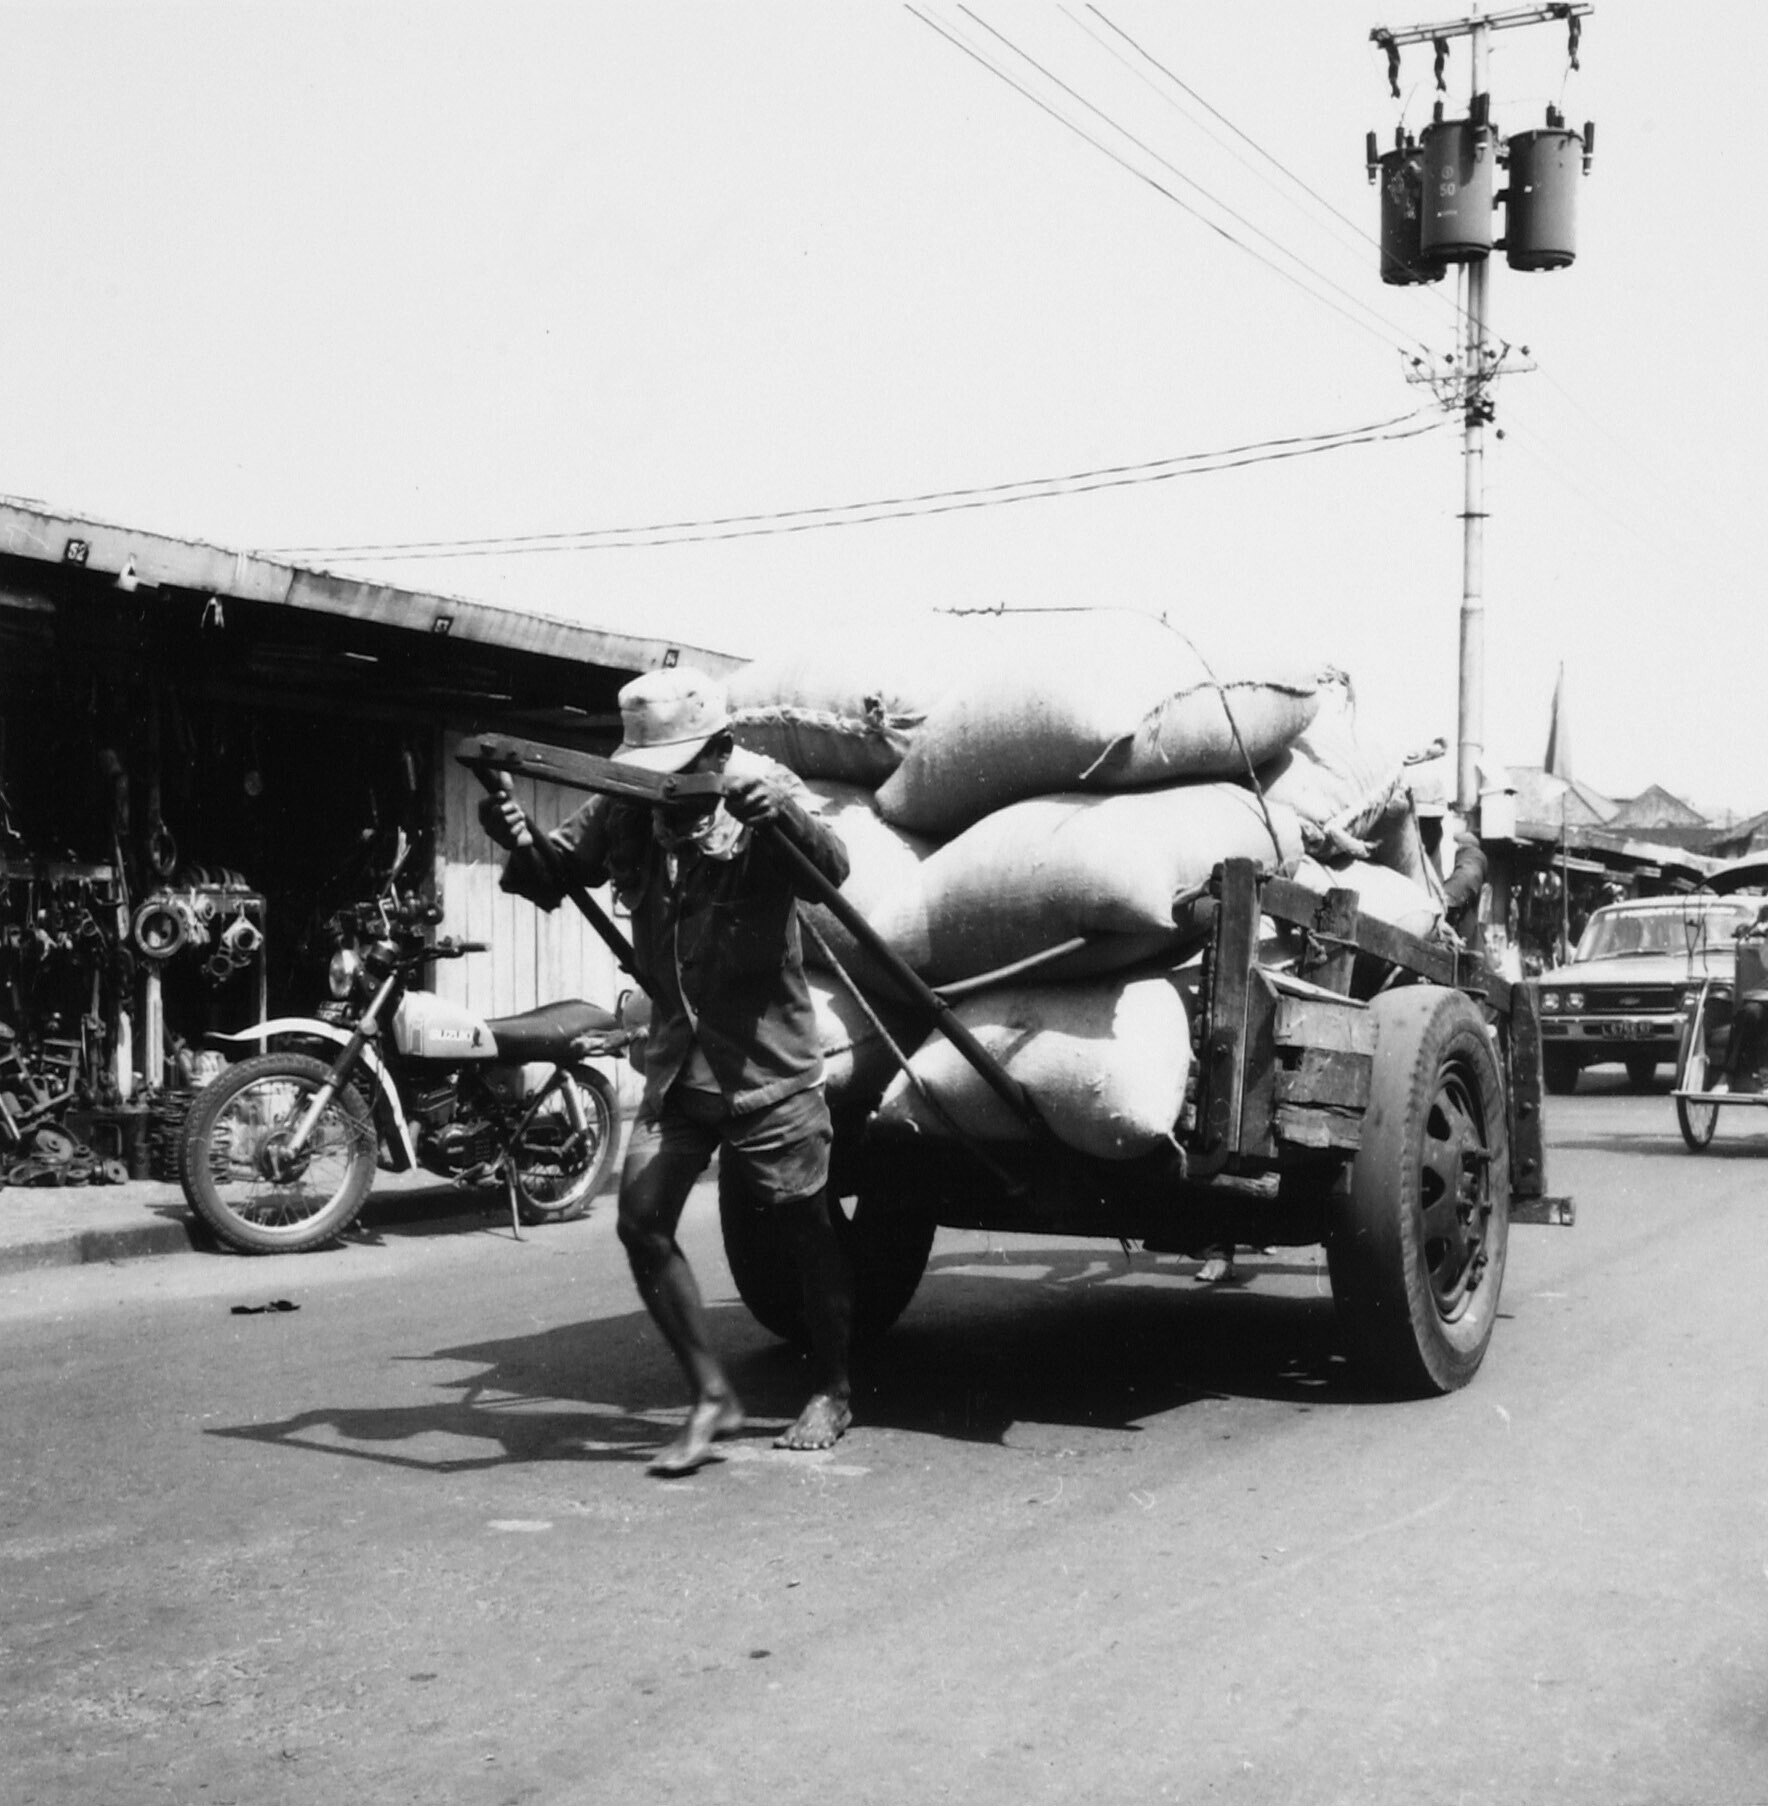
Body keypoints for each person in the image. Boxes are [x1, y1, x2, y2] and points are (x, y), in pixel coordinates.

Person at [478, 666, 855, 1476]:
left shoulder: (763, 795)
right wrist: (515, 838)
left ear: (719, 749)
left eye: (681, 765)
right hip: (678, 1061)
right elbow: (554, 874)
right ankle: (711, 1394)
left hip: (767, 1063)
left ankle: (833, 1385)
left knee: (804, 1232)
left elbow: (832, 873)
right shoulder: (626, 807)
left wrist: (783, 818)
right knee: (641, 1220)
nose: (666, 786)